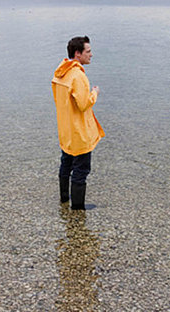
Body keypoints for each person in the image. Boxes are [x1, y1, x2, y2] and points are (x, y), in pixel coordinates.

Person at [52, 36, 105, 210]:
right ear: (78, 53)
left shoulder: (60, 72)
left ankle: (64, 199)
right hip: (79, 133)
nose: (91, 55)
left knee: (66, 164)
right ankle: (78, 209)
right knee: (81, 171)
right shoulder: (78, 76)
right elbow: (83, 105)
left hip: (65, 131)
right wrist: (94, 93)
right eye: (88, 51)